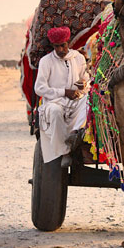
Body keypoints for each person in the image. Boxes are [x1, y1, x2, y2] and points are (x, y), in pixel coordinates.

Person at [34, 26, 90, 169]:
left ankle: (74, 135)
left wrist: (83, 84)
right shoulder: (46, 61)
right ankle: (64, 152)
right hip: (54, 102)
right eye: (56, 46)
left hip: (76, 101)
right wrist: (64, 92)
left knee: (90, 100)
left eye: (63, 46)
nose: (60, 50)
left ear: (68, 43)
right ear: (53, 46)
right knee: (54, 111)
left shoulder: (78, 58)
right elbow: (39, 88)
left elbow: (87, 80)